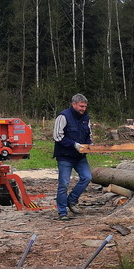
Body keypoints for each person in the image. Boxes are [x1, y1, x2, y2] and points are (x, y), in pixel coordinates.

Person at [52, 93, 92, 221]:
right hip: (65, 156)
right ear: (74, 104)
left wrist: (89, 145)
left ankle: (71, 200)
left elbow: (88, 135)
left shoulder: (86, 118)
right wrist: (74, 144)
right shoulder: (63, 116)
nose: (83, 109)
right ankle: (62, 212)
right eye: (81, 106)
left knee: (87, 177)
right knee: (63, 184)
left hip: (80, 157)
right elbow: (57, 136)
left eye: (85, 106)